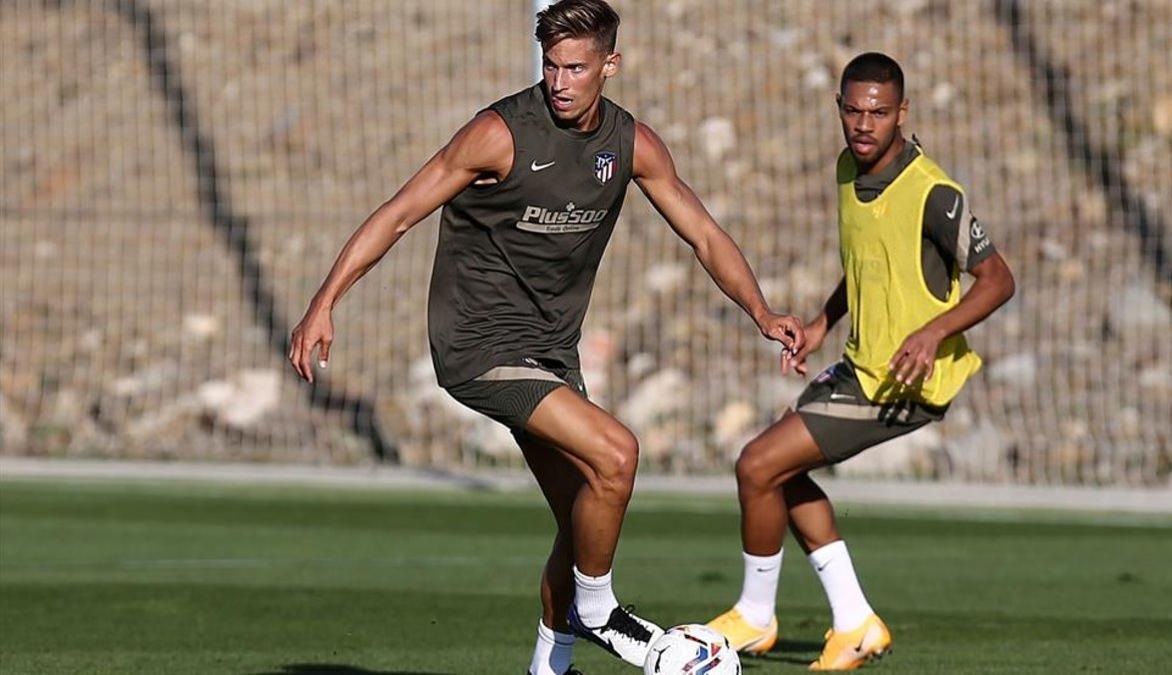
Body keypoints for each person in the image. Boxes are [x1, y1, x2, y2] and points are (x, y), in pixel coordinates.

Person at [287, 2, 804, 673]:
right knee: (617, 453)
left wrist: (761, 312)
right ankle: (599, 611)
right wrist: (325, 300)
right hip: (478, 345)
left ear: (609, 66)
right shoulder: (498, 134)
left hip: (551, 350)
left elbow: (703, 233)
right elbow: (399, 213)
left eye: (576, 67)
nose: (559, 81)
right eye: (551, 66)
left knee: (583, 510)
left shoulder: (631, 145)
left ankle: (548, 666)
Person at [706, 52, 1016, 671]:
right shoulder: (849, 169)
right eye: (853, 110)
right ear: (840, 110)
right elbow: (867, 263)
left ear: (903, 112)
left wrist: (933, 332)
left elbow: (998, 280)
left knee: (757, 465)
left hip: (904, 381)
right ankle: (855, 623)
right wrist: (823, 321)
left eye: (878, 112)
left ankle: (755, 616)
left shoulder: (934, 194)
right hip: (861, 366)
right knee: (782, 476)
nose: (864, 124)